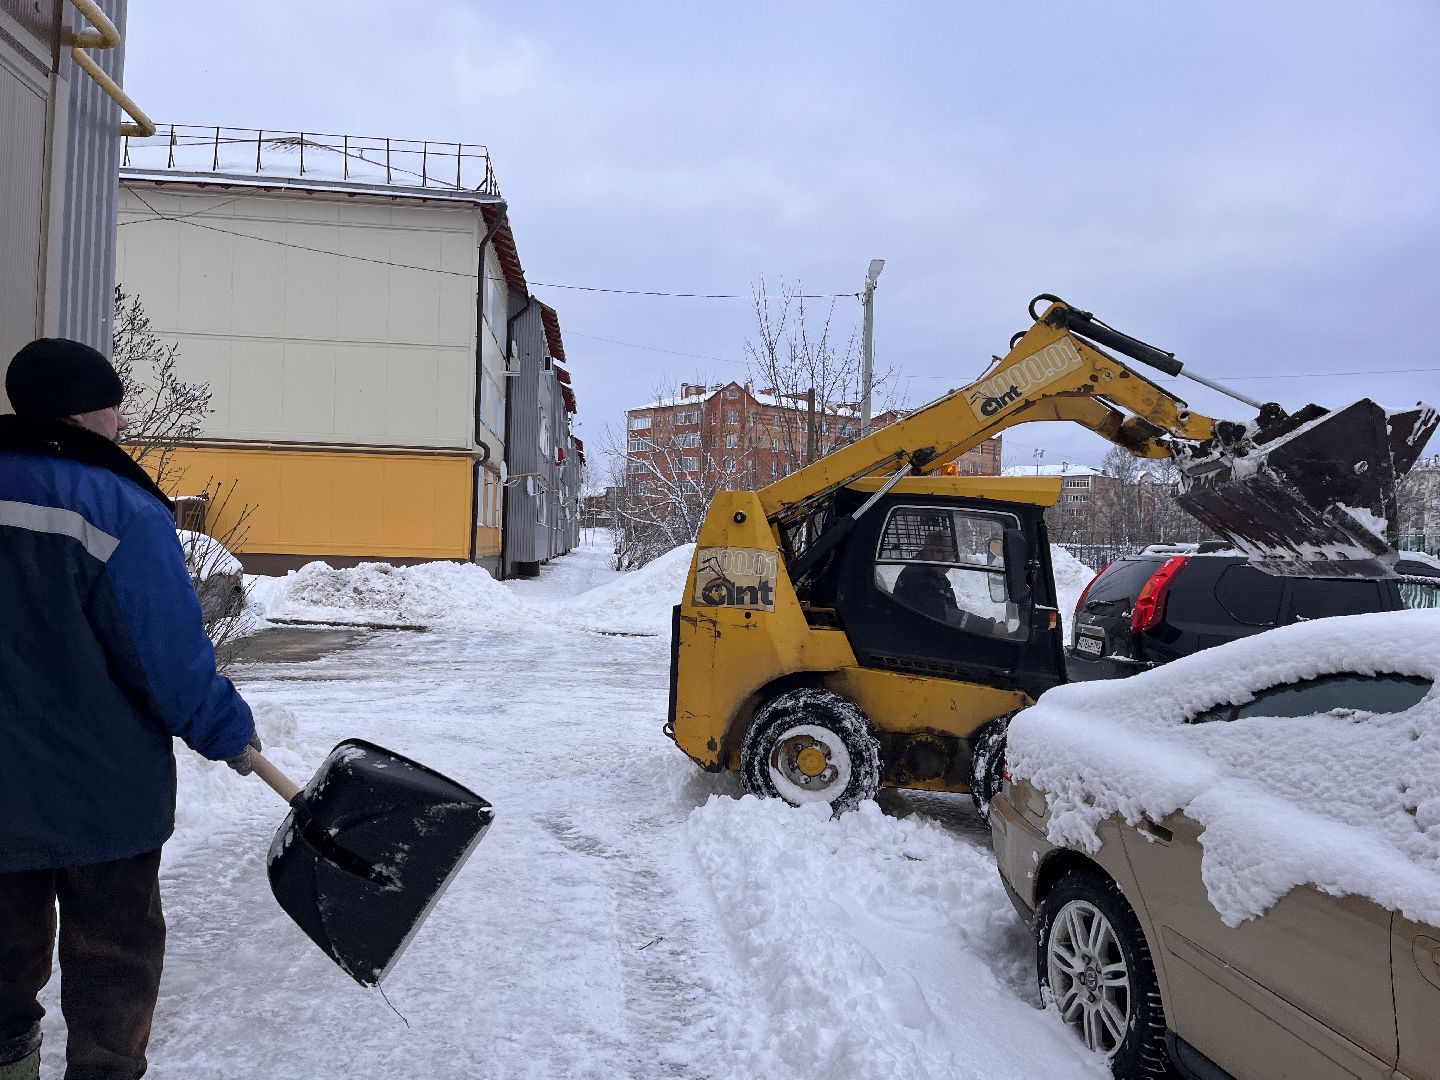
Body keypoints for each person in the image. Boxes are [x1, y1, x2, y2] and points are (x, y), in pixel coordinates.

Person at [0, 339, 259, 1080]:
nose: (123, 420)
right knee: (112, 961)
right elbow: (166, 660)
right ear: (88, 412)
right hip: (102, 795)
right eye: (117, 405)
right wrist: (226, 732)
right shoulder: (119, 506)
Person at [892, 531, 1009, 636]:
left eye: (949, 554)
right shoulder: (917, 578)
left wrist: (984, 625)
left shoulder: (932, 573)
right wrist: (989, 628)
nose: (945, 558)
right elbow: (946, 615)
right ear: (926, 550)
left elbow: (950, 609)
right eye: (939, 551)